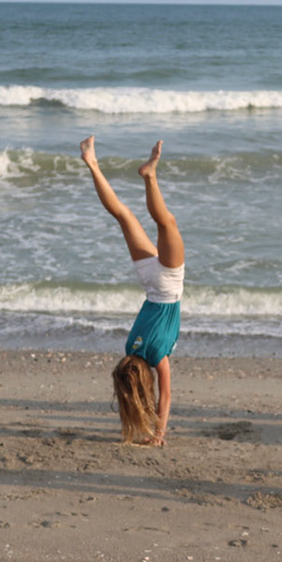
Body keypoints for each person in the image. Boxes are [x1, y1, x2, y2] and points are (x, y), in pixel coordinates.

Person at [80, 136, 182, 446]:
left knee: (167, 223)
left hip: (167, 286)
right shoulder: (130, 347)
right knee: (123, 215)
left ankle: (149, 176)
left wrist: (159, 433)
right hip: (149, 283)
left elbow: (166, 395)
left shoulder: (158, 355)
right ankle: (92, 163)